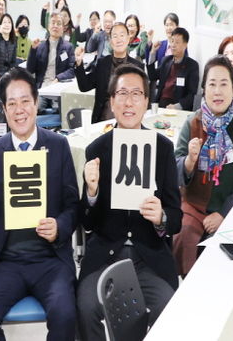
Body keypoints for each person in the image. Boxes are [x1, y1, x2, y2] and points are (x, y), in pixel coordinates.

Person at [0, 67, 78, 341]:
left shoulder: (58, 145)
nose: (19, 110)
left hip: (50, 261)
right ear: (4, 109)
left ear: (36, 103)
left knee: (66, 314)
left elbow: (73, 206)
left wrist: (59, 226)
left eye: (25, 101)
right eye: (11, 103)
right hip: (7, 261)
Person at [77, 65, 182, 339]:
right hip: (105, 255)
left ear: (146, 102)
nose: (129, 102)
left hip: (150, 257)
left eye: (136, 94)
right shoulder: (96, 150)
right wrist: (91, 192)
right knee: (85, 307)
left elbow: (176, 218)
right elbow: (86, 222)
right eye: (122, 93)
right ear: (111, 101)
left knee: (169, 307)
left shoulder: (162, 149)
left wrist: (161, 217)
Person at [172, 56, 233, 276]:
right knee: (184, 234)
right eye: (212, 84)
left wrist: (223, 214)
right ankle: (186, 287)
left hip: (229, 209)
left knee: (222, 252)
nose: (218, 91)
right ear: (204, 89)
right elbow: (174, 168)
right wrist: (189, 161)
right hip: (193, 205)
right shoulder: (193, 122)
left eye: (224, 84)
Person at [74, 22, 144, 123]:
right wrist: (79, 63)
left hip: (128, 121)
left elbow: (142, 99)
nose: (118, 39)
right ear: (110, 41)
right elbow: (84, 86)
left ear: (128, 39)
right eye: (115, 36)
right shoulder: (103, 63)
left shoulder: (137, 67)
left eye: (122, 35)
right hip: (103, 120)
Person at [147, 27, 199, 110]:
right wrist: (153, 52)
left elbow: (192, 95)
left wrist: (177, 106)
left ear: (185, 45)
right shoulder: (166, 60)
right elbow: (152, 76)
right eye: (172, 41)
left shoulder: (192, 66)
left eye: (177, 42)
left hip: (177, 108)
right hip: (160, 105)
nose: (173, 45)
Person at [26, 11, 75, 88]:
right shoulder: (40, 46)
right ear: (48, 27)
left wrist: (58, 78)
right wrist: (33, 50)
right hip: (42, 86)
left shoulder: (68, 47)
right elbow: (30, 70)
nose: (55, 26)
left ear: (63, 28)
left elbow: (72, 70)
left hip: (59, 85)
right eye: (53, 23)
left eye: (59, 23)